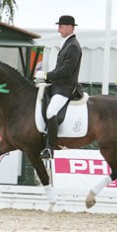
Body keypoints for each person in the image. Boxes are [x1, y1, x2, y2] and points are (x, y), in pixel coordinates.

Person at [34, 15, 82, 158]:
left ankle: (50, 148)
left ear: (70, 27)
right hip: (57, 86)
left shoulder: (73, 46)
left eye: (61, 26)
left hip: (65, 88)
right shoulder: (67, 43)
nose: (58, 30)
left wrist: (47, 75)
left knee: (51, 112)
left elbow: (66, 70)